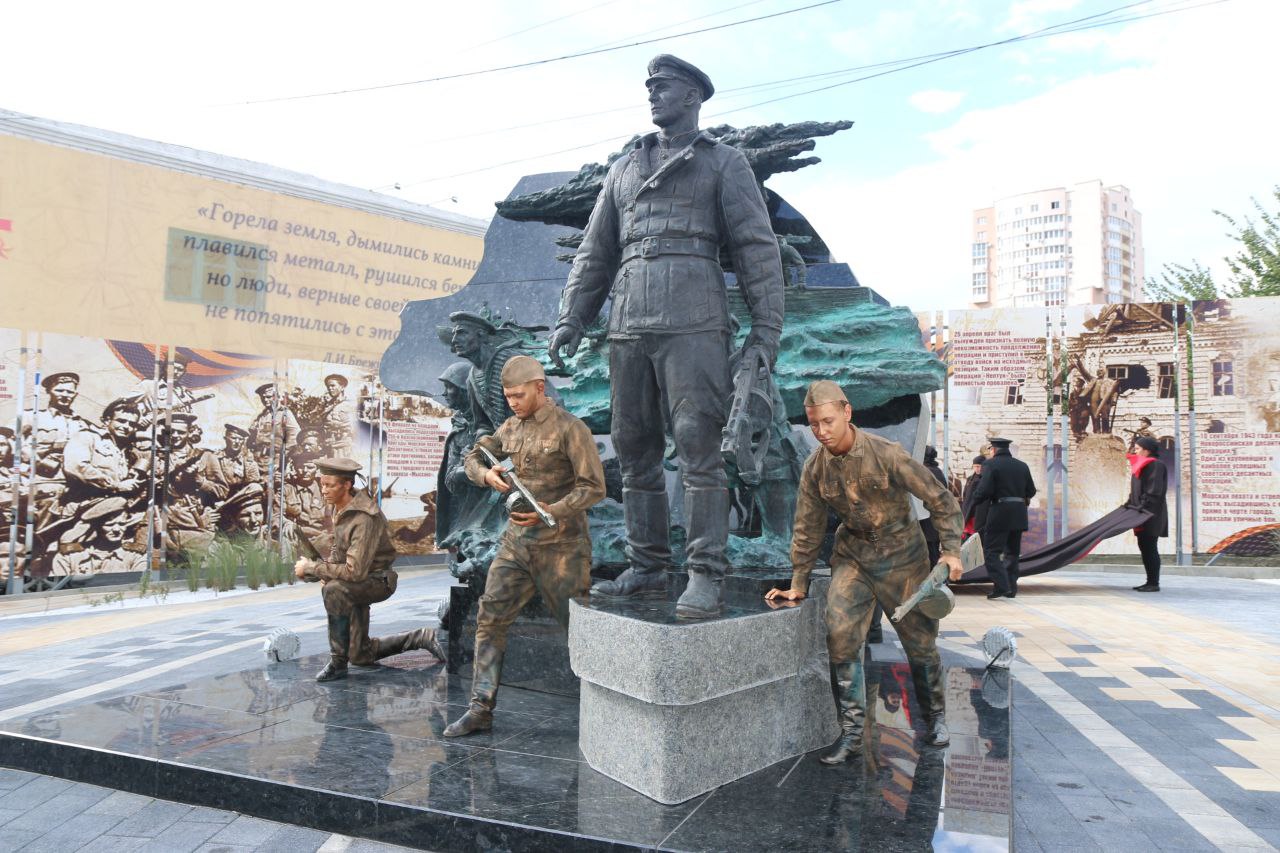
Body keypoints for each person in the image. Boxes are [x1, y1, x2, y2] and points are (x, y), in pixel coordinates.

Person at [550, 54, 785, 619]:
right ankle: (648, 566)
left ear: (693, 97)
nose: (653, 95)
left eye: (664, 87)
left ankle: (705, 572)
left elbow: (756, 245)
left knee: (699, 447)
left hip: (694, 316)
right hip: (628, 320)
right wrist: (571, 318)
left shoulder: (723, 163)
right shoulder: (624, 167)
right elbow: (596, 251)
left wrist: (766, 328)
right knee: (634, 448)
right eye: (650, 87)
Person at [766, 381, 964, 763]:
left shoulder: (887, 453)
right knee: (840, 635)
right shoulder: (815, 469)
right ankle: (852, 734)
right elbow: (806, 528)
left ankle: (936, 717)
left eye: (827, 422)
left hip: (902, 554)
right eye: (814, 426)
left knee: (919, 641)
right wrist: (797, 584)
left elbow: (940, 499)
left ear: (847, 413)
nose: (821, 432)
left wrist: (951, 551)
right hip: (853, 555)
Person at [444, 356, 606, 738]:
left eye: (518, 395)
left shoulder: (571, 429)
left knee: (578, 631)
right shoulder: (508, 428)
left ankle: (604, 710)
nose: (513, 402)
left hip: (562, 548)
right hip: (516, 545)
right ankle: (480, 708)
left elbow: (594, 487)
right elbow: (474, 455)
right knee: (490, 618)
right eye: (507, 396)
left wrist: (555, 509)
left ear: (539, 387)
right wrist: (486, 474)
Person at [293, 458, 444, 682]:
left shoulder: (363, 517)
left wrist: (313, 567)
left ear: (346, 485)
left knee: (334, 590)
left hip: (376, 581)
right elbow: (339, 550)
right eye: (322, 484)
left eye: (329, 485)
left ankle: (337, 663)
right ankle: (420, 637)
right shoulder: (342, 508)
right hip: (358, 583)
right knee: (361, 655)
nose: (323, 490)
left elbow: (355, 572)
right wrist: (321, 572)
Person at [971, 437, 1036, 599]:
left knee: (991, 551)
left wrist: (974, 500)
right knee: (1012, 553)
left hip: (1000, 513)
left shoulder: (990, 465)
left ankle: (1002, 586)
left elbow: (984, 490)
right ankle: (1011, 588)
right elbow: (1032, 491)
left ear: (993, 450)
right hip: (1019, 513)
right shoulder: (1022, 466)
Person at [1127, 436, 1167, 592]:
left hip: (1150, 514)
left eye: (1137, 448)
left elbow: (1153, 492)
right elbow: (1136, 491)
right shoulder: (1142, 465)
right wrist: (1129, 505)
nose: (1135, 451)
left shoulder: (1155, 465)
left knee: (1150, 547)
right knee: (1144, 546)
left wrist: (1140, 508)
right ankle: (1150, 581)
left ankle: (1153, 583)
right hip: (1141, 512)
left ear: (1147, 450)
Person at [199, 425, 261, 503]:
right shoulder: (213, 458)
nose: (237, 442)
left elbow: (253, 487)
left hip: (239, 503)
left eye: (240, 439)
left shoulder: (248, 463)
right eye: (234, 438)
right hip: (214, 501)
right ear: (225, 439)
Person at [248, 383, 301, 470]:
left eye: (269, 397)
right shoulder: (261, 416)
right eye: (263, 398)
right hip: (258, 459)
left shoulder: (285, 413)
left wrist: (281, 457)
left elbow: (294, 437)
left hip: (276, 460)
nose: (265, 400)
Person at [321, 374, 356, 458]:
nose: (330, 388)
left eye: (333, 385)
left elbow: (354, 427)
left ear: (342, 387)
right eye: (328, 386)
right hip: (329, 443)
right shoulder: (328, 406)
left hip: (342, 445)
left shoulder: (349, 404)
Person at [960, 454, 986, 542]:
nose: (976, 469)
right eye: (975, 466)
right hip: (968, 512)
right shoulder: (969, 479)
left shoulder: (986, 479)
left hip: (979, 513)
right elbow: (965, 495)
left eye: (978, 466)